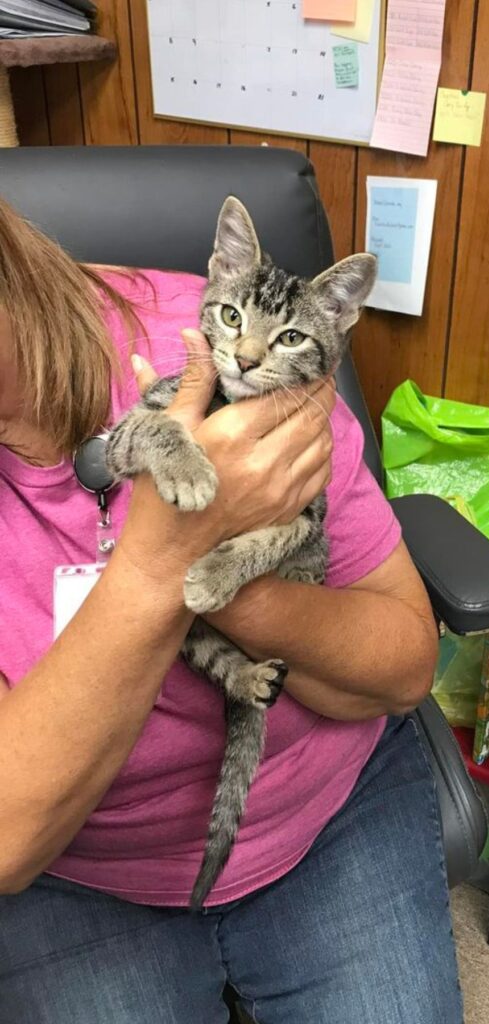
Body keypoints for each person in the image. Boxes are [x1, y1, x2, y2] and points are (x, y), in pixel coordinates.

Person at [0, 198, 463, 1023]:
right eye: (238, 327)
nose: (243, 351)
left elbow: (399, 666)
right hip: (80, 867)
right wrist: (164, 558)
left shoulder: (205, 339)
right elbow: (10, 837)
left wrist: (236, 586)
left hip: (324, 806)